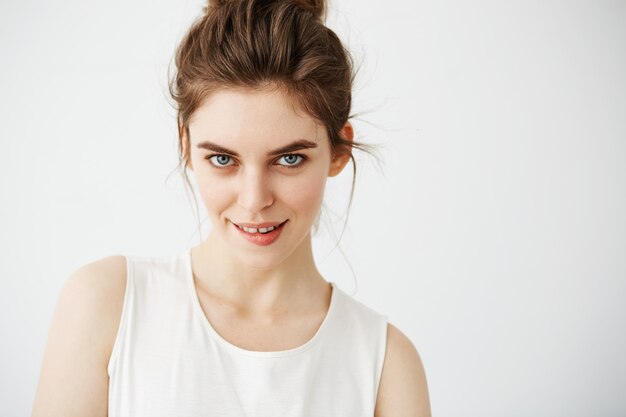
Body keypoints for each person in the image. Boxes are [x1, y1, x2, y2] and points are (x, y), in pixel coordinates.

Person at [31, 0, 431, 416]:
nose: (254, 200)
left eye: (289, 159)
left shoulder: (385, 364)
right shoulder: (106, 305)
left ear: (338, 150)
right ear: (186, 146)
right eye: (223, 159)